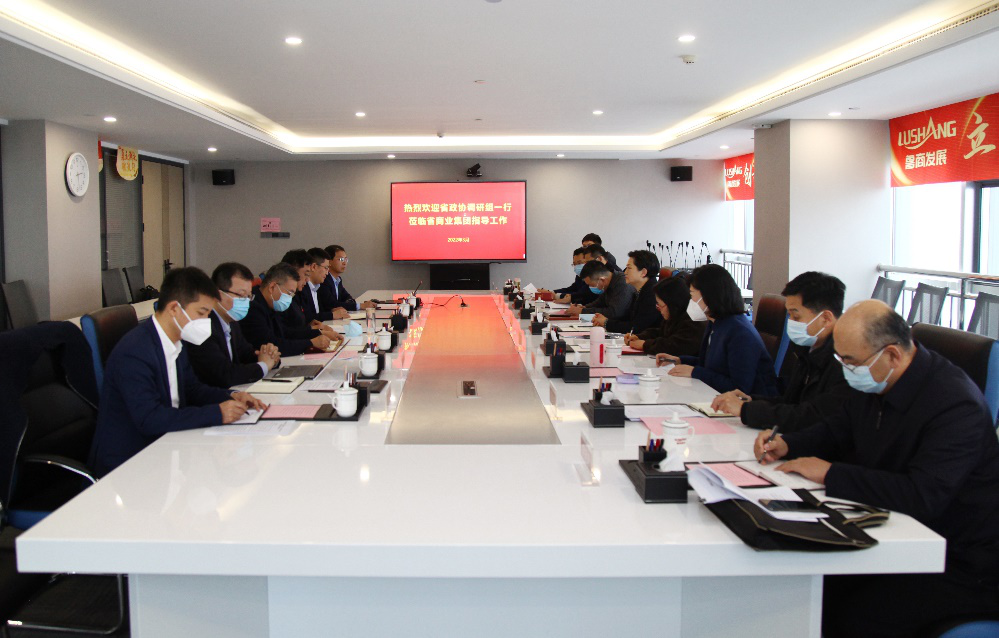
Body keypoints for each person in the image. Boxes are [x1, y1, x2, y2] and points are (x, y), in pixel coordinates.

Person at [754, 300, 999, 637]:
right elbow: (839, 428)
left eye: (851, 361)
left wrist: (830, 473)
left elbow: (922, 495)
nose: (845, 369)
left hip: (964, 562)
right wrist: (789, 444)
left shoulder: (955, 405)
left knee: (854, 614)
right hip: (895, 532)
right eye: (840, 359)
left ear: (893, 355)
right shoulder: (880, 379)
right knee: (807, 586)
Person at [88, 267, 266, 477]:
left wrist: (231, 396)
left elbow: (192, 389)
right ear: (174, 308)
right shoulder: (135, 352)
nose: (206, 321)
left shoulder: (176, 341)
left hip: (167, 448)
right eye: (201, 313)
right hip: (129, 465)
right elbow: (149, 418)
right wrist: (217, 413)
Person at [710, 271, 850, 433]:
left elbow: (811, 417)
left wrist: (746, 410)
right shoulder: (809, 350)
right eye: (789, 315)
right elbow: (791, 402)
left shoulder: (846, 361)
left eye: (796, 316)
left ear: (826, 318)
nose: (790, 322)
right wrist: (751, 400)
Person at [656, 263, 777, 394]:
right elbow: (710, 364)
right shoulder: (716, 323)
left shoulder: (740, 333)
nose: (690, 301)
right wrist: (680, 360)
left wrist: (695, 372)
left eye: (692, 295)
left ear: (709, 295)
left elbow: (739, 388)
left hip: (749, 402)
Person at [187, 262, 281, 388]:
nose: (246, 302)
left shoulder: (232, 322)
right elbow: (224, 374)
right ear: (218, 294)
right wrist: (263, 366)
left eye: (249, 296)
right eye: (241, 295)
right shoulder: (203, 325)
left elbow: (246, 354)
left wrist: (270, 356)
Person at [240, 262, 331, 356]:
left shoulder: (271, 304)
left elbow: (285, 332)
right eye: (289, 293)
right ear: (272, 287)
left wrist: (317, 333)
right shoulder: (253, 308)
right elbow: (272, 344)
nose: (290, 299)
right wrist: (310, 343)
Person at [624, 276, 704, 356]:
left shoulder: (694, 320)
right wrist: (640, 337)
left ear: (672, 304)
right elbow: (661, 333)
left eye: (661, 305)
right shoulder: (676, 314)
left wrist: (645, 345)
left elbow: (675, 346)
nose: (659, 310)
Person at [280, 249, 343, 343]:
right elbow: (284, 334)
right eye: (306, 274)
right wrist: (315, 334)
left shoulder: (296, 294)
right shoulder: (283, 299)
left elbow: (299, 324)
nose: (307, 279)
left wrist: (311, 326)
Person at [594, 249, 661, 333]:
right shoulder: (641, 290)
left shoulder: (652, 294)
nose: (625, 272)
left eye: (629, 268)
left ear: (643, 272)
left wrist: (606, 323)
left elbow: (636, 328)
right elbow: (629, 319)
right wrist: (605, 320)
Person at [568, 259, 636, 321]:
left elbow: (614, 312)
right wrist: (584, 307)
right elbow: (600, 301)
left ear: (602, 280)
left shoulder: (622, 283)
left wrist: (583, 311)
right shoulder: (609, 282)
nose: (590, 287)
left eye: (591, 285)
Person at [319, 244, 376, 312]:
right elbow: (332, 304)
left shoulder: (338, 280)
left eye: (346, 259)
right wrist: (360, 306)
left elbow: (346, 297)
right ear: (329, 262)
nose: (344, 263)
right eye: (341, 259)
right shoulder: (324, 280)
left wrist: (349, 303)